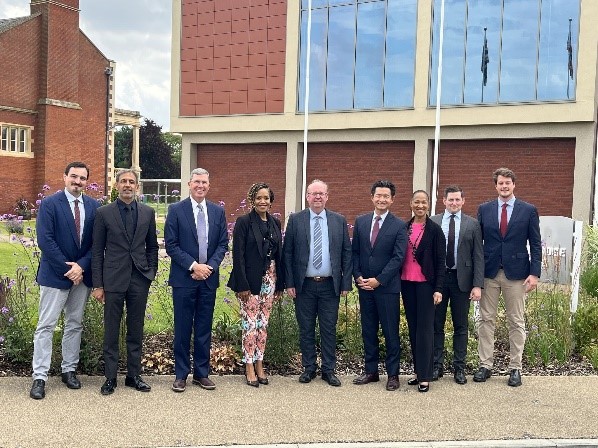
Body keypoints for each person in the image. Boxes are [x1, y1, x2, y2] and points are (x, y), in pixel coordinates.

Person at [29, 162, 100, 400]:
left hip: (82, 276)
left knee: (74, 324)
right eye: (74, 176)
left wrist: (81, 266)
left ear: (87, 181)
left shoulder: (94, 206)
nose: (77, 181)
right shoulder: (50, 204)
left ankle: (69, 370)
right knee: (46, 325)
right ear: (64, 177)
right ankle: (39, 376)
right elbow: (46, 240)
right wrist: (68, 269)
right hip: (54, 275)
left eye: (82, 178)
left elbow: (96, 244)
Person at [91, 169, 159, 395]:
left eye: (131, 182)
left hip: (139, 279)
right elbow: (97, 250)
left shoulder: (148, 213)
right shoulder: (103, 213)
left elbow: (152, 247)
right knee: (111, 330)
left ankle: (133, 375)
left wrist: (151, 273)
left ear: (137, 187)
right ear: (116, 185)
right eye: (123, 182)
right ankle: (110, 377)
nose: (127, 185)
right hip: (113, 280)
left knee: (136, 329)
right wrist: (98, 285)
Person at [474, 168, 541, 387]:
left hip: (517, 274)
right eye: (501, 183)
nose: (504, 186)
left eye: (508, 183)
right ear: (496, 186)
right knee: (486, 320)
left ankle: (515, 368)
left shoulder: (528, 210)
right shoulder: (484, 209)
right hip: (489, 273)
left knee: (516, 321)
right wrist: (476, 275)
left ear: (514, 185)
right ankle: (485, 365)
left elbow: (536, 243)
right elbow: (477, 244)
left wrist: (534, 273)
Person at [283, 179, 352, 387]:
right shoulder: (296, 220)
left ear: (327, 196)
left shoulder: (338, 221)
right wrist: (289, 282)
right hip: (304, 285)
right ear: (307, 197)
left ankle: (328, 370)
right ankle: (309, 368)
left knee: (328, 329)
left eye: (321, 193)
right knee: (306, 328)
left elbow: (347, 253)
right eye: (314, 194)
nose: (318, 197)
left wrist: (345, 283)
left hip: (330, 285)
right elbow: (288, 254)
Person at [165, 168, 228, 392]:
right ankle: (181, 374)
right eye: (197, 182)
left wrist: (208, 268)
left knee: (203, 327)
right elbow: (171, 244)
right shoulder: (175, 210)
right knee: (183, 328)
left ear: (208, 186)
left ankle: (202, 373)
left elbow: (222, 245)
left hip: (208, 279)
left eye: (204, 182)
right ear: (189, 184)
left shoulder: (218, 212)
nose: (200, 186)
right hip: (184, 279)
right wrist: (194, 266)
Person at [227, 183, 285, 387]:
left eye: (266, 198)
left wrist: (280, 285)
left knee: (263, 325)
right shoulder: (243, 222)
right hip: (249, 282)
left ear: (271, 201)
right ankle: (249, 365)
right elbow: (238, 256)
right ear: (252, 200)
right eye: (259, 198)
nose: (263, 201)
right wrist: (242, 285)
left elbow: (279, 255)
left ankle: (260, 362)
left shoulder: (275, 223)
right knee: (250, 325)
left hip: (270, 279)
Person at [351, 180, 407, 391]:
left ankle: (393, 374)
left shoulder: (399, 225)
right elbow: (355, 252)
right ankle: (371, 371)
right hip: (365, 287)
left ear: (392, 200)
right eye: (378, 195)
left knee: (390, 332)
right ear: (372, 197)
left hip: (387, 288)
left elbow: (398, 257)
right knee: (368, 330)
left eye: (386, 196)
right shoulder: (361, 222)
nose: (382, 199)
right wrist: (358, 276)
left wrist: (379, 280)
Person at [430, 185, 484, 384]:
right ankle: (436, 366)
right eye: (450, 200)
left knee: (461, 326)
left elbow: (478, 255)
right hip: (439, 280)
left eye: (457, 200)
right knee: (436, 325)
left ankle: (459, 368)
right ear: (443, 201)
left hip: (463, 281)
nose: (453, 203)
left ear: (463, 201)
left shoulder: (473, 224)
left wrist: (477, 285)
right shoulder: (433, 221)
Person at [402, 190, 445, 393]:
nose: (420, 206)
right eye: (416, 202)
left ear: (429, 205)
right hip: (406, 284)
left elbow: (440, 263)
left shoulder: (435, 230)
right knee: (413, 328)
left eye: (424, 202)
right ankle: (418, 372)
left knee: (426, 330)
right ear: (411, 203)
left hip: (426, 285)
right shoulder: (405, 228)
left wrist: (438, 289)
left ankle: (426, 376)